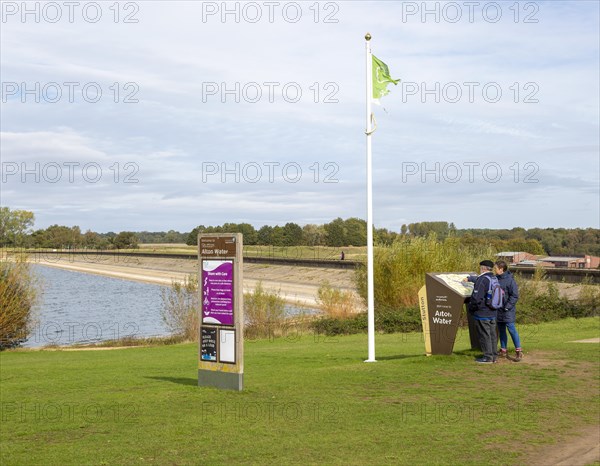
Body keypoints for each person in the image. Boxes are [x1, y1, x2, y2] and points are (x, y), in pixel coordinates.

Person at [464, 260, 498, 364]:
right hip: (493, 311)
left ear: (483, 268)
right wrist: (470, 278)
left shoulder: (482, 280)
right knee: (492, 335)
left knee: (484, 335)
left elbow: (476, 298)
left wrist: (471, 308)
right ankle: (493, 356)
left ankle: (487, 357)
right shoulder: (493, 278)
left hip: (482, 312)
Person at [494, 260, 523, 361]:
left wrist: (507, 307)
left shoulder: (510, 280)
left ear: (501, 269)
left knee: (511, 330)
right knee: (501, 330)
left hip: (507, 310)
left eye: (496, 268)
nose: (495, 270)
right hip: (498, 309)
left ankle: (518, 351)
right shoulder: (496, 278)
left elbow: (514, 296)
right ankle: (503, 350)